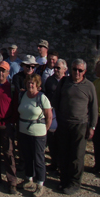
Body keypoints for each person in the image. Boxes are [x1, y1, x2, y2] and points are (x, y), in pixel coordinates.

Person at [53, 58, 98, 195]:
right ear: (70, 69)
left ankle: (74, 183)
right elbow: (56, 101)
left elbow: (93, 108)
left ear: (84, 72)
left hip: (80, 125)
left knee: (77, 156)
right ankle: (64, 180)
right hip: (64, 123)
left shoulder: (89, 86)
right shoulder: (64, 82)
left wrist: (92, 127)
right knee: (63, 153)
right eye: (74, 69)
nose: (77, 73)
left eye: (80, 70)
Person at [17, 74, 53, 197]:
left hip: (38, 133)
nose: (30, 85)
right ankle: (28, 179)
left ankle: (40, 184)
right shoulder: (22, 96)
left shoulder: (42, 98)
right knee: (27, 157)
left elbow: (49, 116)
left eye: (32, 83)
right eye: (28, 82)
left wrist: (44, 130)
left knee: (38, 159)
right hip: (24, 132)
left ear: (37, 85)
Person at [0, 62, 18, 194]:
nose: (1, 73)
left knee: (8, 153)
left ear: (7, 73)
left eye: (3, 71)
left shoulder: (11, 88)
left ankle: (12, 181)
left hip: (6, 124)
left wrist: (12, 122)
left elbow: (16, 107)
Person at [43, 58, 67, 172]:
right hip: (52, 112)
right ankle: (54, 162)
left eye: (58, 68)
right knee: (52, 140)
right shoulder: (49, 80)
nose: (56, 70)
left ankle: (62, 165)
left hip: (64, 114)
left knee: (62, 141)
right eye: (55, 68)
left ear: (64, 70)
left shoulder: (68, 81)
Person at [93, 61, 100, 173]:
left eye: (97, 68)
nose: (94, 70)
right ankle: (98, 165)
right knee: (97, 142)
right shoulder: (95, 83)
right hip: (96, 117)